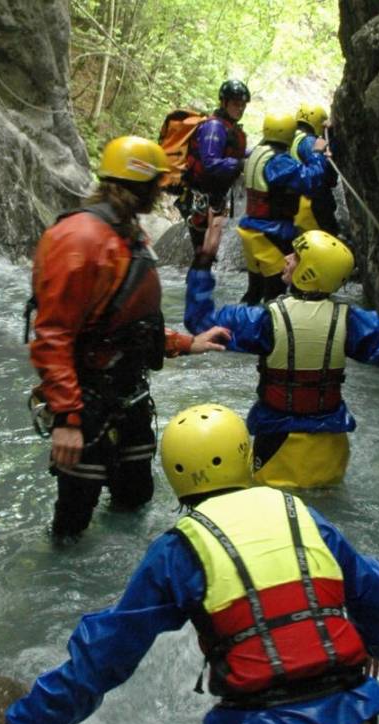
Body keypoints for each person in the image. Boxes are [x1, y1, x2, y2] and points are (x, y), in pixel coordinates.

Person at [0, 404, 379, 724]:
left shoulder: (178, 549)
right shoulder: (304, 518)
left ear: (175, 476)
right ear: (245, 456)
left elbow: (101, 657)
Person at [26, 135, 230, 542]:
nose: (161, 192)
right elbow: (52, 335)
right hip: (85, 403)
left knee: (135, 502)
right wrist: (67, 418)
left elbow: (132, 325)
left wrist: (186, 343)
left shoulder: (127, 233)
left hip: (128, 396)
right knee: (73, 523)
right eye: (157, 183)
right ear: (141, 184)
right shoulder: (80, 238)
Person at [184, 230, 379, 489]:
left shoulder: (265, 321)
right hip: (332, 449)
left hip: (278, 447)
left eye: (297, 256)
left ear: (310, 271)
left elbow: (201, 324)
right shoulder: (350, 322)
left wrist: (203, 261)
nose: (287, 258)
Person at [234, 111, 330, 306]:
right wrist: (318, 154)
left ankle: (236, 328)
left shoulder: (257, 153)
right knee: (275, 295)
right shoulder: (277, 160)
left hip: (251, 230)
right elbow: (310, 179)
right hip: (271, 234)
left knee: (254, 293)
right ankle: (270, 333)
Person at [175, 79, 250, 271]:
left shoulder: (229, 127)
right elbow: (210, 162)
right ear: (223, 102)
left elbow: (235, 153)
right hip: (199, 195)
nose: (240, 109)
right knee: (203, 253)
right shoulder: (214, 127)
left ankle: (201, 295)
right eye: (235, 104)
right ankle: (196, 296)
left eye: (242, 105)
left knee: (208, 253)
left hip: (215, 195)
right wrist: (240, 164)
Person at [290, 103, 341, 237]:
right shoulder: (309, 141)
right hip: (314, 208)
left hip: (297, 207)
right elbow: (325, 174)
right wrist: (333, 139)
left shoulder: (290, 139)